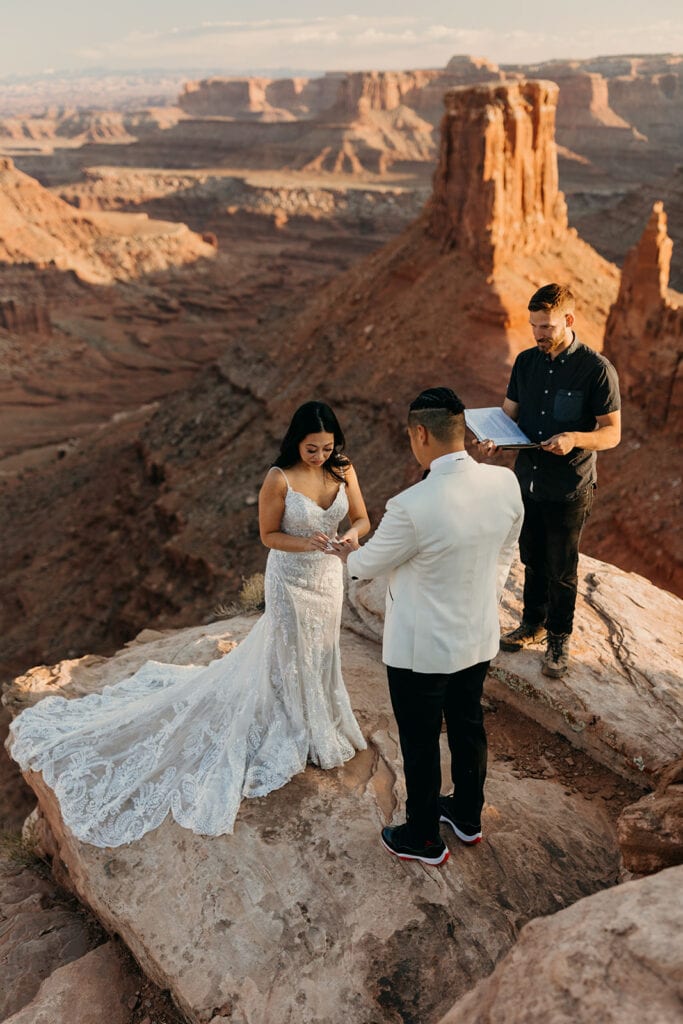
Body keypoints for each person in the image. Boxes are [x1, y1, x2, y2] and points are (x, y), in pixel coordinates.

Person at [7, 401, 370, 847]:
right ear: (297, 441)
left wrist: (350, 538)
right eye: (312, 448)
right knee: (288, 648)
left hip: (329, 578)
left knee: (321, 649)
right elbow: (268, 537)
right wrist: (306, 543)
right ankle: (292, 720)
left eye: (327, 447)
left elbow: (361, 518)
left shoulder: (343, 468)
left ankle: (321, 716)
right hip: (291, 579)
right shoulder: (279, 479)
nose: (319, 456)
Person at [331, 388, 523, 866]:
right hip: (476, 636)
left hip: (420, 651)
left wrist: (345, 550)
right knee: (467, 725)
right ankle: (467, 816)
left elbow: (366, 566)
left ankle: (422, 836)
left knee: (419, 741)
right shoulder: (504, 484)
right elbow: (507, 548)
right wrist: (482, 594)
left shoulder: (410, 505)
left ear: (420, 434)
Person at [483, 284, 621, 678]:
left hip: (569, 485)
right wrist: (494, 437)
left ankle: (558, 638)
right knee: (531, 558)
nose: (538, 334)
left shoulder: (596, 370)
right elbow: (509, 414)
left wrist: (576, 438)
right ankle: (533, 623)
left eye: (546, 326)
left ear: (569, 321)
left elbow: (612, 433)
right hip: (526, 480)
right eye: (534, 326)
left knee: (561, 566)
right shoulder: (526, 362)